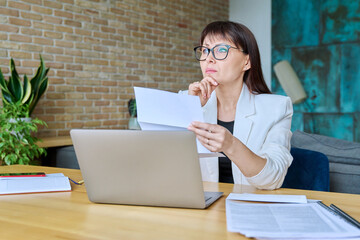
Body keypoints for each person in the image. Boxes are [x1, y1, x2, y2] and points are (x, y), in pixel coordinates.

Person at [185, 21, 293, 190]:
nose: (209, 59)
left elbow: (273, 179)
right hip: (200, 207)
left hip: (250, 207)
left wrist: (230, 145)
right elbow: (165, 167)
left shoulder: (276, 108)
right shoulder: (188, 99)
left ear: (247, 62)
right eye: (205, 50)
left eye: (221, 50)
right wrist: (190, 110)